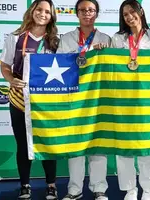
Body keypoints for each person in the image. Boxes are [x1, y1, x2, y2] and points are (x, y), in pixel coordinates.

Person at [0, 0, 59, 199]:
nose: (43, 14)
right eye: (39, 10)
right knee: (23, 144)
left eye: (47, 12)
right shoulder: (15, 37)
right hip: (19, 99)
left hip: (47, 102)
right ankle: (25, 184)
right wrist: (11, 80)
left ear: (52, 16)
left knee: (47, 144)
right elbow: (5, 65)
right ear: (32, 11)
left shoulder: (56, 40)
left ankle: (51, 185)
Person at [56, 0, 111, 200]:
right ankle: (74, 189)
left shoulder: (106, 39)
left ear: (96, 13)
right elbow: (61, 66)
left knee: (98, 144)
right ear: (76, 13)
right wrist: (88, 52)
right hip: (74, 98)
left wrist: (103, 53)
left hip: (97, 99)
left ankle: (99, 188)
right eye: (82, 10)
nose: (87, 13)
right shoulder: (67, 38)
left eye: (91, 10)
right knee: (76, 145)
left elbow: (111, 70)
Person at [110, 1, 150, 200]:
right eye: (125, 15)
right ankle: (130, 190)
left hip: (147, 100)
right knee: (124, 147)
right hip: (122, 100)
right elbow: (111, 66)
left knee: (148, 146)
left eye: (132, 12)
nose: (129, 17)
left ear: (141, 12)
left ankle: (148, 190)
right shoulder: (117, 38)